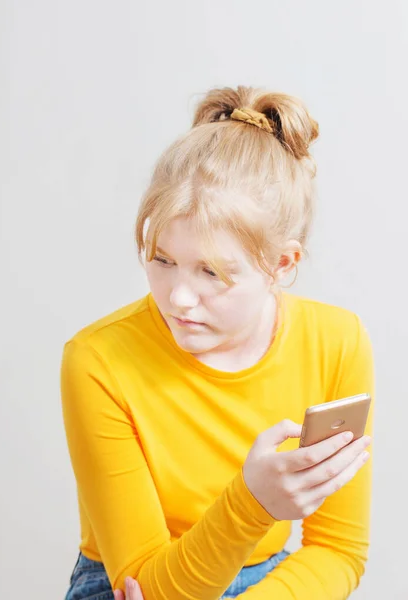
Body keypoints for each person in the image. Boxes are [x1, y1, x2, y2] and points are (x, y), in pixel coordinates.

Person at [60, 85, 374, 600]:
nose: (179, 297)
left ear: (282, 264)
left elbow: (338, 549)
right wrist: (254, 502)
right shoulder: (97, 360)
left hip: (272, 579)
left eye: (212, 271)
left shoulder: (337, 342)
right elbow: (148, 585)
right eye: (162, 260)